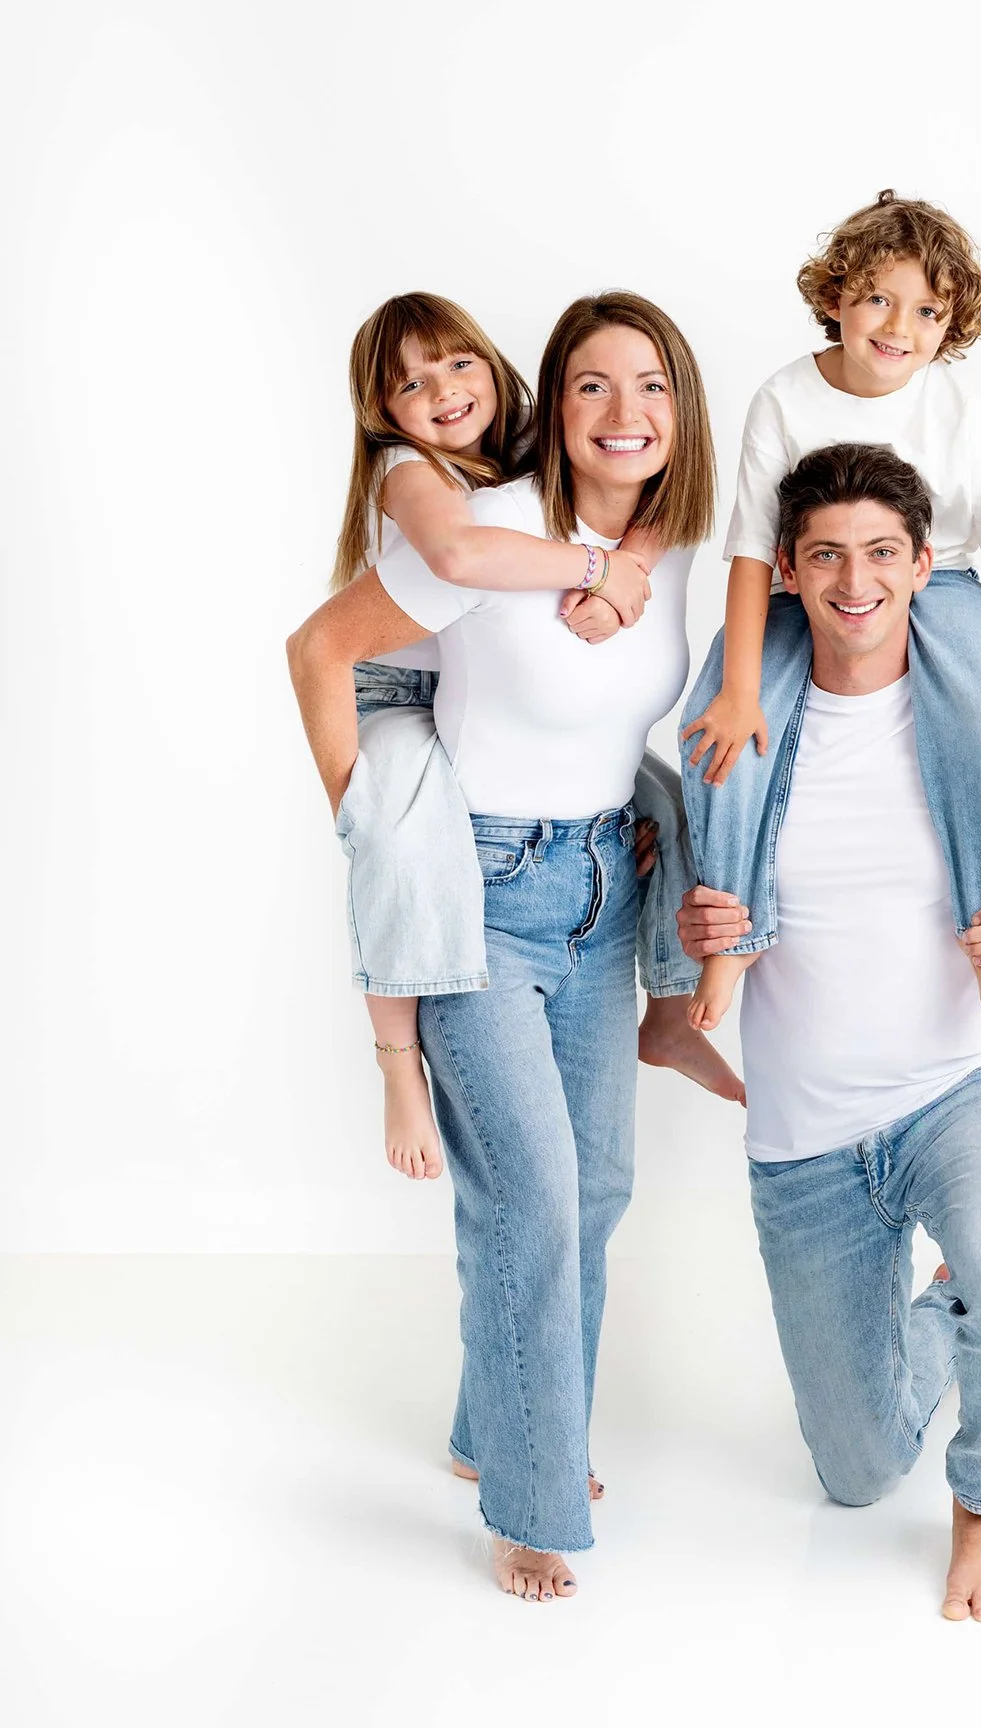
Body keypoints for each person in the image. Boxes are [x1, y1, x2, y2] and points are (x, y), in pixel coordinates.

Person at [288, 291, 718, 1604]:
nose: (623, 414)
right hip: (478, 890)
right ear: (552, 401)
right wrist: (371, 825)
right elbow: (318, 649)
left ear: (680, 406)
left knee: (589, 1195)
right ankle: (536, 1499)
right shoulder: (491, 527)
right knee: (531, 1203)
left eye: (649, 386)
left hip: (601, 880)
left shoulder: (687, 545)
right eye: (591, 386)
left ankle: (497, 1434)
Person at [673, 444, 981, 1621]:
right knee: (859, 1474)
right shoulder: (737, 730)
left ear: (926, 565)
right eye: (825, 554)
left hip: (963, 1086)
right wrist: (700, 916)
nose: (855, 580)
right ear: (788, 570)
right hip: (805, 1136)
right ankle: (947, 1304)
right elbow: (697, 896)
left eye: (882, 552)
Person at [318, 292, 739, 1182]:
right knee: (393, 848)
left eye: (460, 364)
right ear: (381, 411)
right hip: (398, 695)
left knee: (670, 797)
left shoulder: (529, 450)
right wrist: (353, 804)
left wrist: (633, 563)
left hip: (595, 865)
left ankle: (666, 1014)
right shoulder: (422, 477)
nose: (443, 393)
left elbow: (651, 467)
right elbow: (452, 566)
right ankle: (396, 1069)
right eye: (411, 384)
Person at [679, 189, 981, 1035]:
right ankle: (734, 929)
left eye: (928, 311)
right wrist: (742, 686)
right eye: (878, 299)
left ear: (949, 326)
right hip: (806, 590)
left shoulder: (958, 410)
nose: (900, 327)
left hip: (948, 584)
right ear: (835, 299)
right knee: (718, 724)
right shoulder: (784, 400)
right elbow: (753, 557)